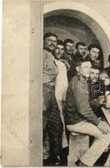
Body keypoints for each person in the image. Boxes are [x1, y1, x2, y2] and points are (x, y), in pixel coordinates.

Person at [63, 59, 110, 166]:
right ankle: (83, 163)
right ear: (77, 69)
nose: (89, 70)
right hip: (76, 122)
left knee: (106, 126)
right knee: (106, 136)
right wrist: (98, 123)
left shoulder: (80, 80)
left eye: (90, 67)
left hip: (77, 119)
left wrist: (97, 101)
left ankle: (90, 161)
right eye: (85, 67)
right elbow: (83, 110)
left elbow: (85, 103)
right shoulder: (80, 83)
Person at [42, 32, 63, 166]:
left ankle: (54, 157)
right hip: (43, 91)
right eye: (49, 40)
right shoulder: (41, 54)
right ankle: (41, 158)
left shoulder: (50, 55)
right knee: (42, 125)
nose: (52, 43)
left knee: (56, 125)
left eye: (54, 41)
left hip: (51, 91)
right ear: (43, 41)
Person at [53, 40, 69, 165]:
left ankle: (62, 155)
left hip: (62, 99)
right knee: (56, 127)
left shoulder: (62, 65)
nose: (59, 51)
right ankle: (54, 156)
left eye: (62, 49)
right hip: (53, 99)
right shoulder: (51, 62)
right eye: (57, 48)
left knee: (63, 126)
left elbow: (64, 84)